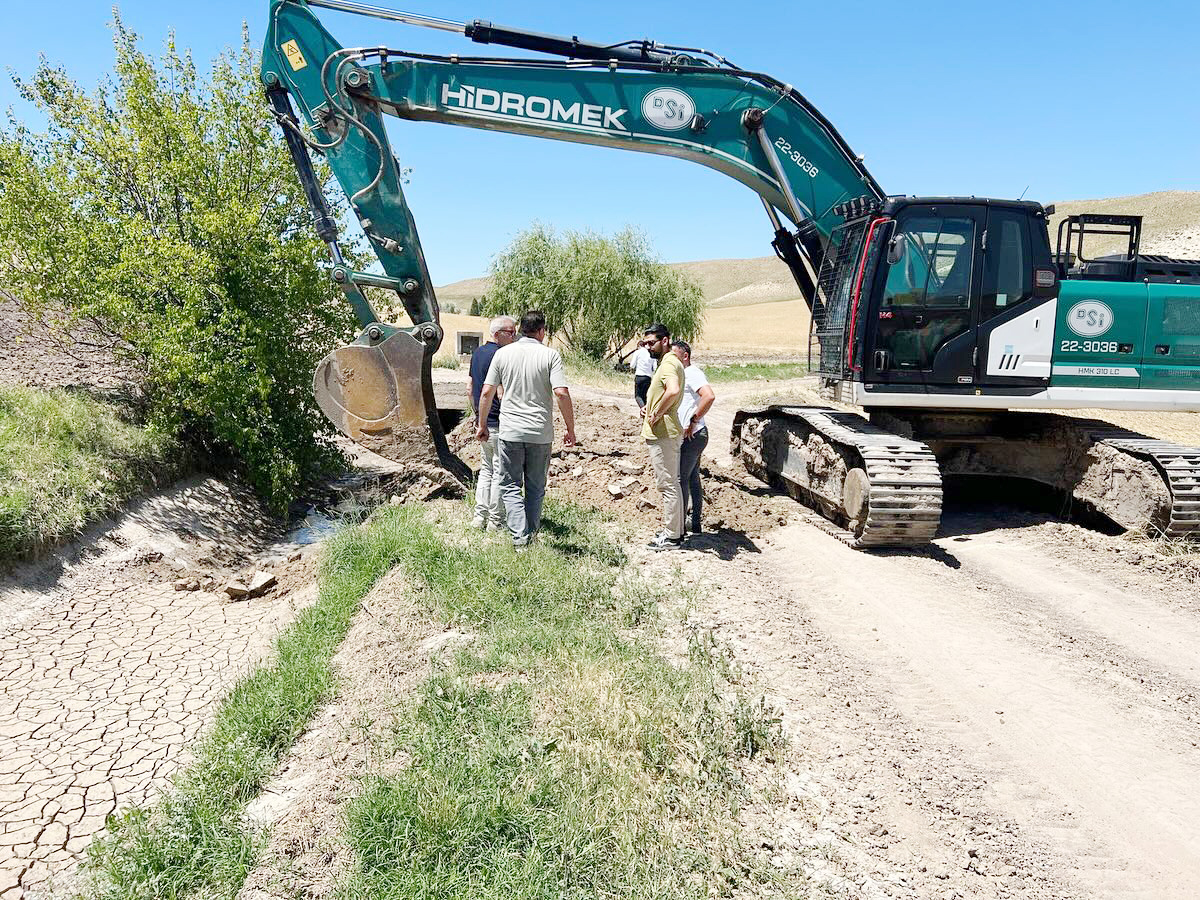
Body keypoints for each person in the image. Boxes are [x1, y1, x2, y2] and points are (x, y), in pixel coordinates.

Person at [476, 310, 576, 549]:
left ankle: (520, 541)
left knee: (510, 485)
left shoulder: (502, 354)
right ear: (542, 331)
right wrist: (570, 428)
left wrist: (482, 424)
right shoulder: (550, 355)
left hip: (510, 431)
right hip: (540, 433)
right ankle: (530, 534)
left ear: (521, 329)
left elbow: (487, 392)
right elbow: (561, 393)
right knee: (535, 487)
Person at [468, 315, 517, 530]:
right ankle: (496, 521)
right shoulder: (502, 355)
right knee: (499, 472)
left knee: (486, 470)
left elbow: (470, 388)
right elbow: (500, 393)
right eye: (511, 332)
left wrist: (479, 417)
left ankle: (479, 517)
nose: (515, 337)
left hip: (484, 422)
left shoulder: (477, 353)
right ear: (497, 334)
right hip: (498, 422)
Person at [640, 323, 685, 551]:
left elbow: (673, 390)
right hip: (666, 431)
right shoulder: (668, 362)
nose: (648, 347)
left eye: (651, 343)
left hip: (664, 432)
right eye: (645, 343)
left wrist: (656, 413)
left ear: (665, 340)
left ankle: (671, 536)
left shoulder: (668, 363)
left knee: (667, 484)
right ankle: (676, 531)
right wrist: (649, 408)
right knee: (672, 483)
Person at [671, 340, 716, 535]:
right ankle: (694, 523)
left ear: (685, 356)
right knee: (692, 477)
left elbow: (709, 396)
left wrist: (693, 420)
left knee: (681, 478)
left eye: (674, 356)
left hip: (693, 436)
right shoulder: (682, 375)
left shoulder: (692, 373)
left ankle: (678, 527)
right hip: (693, 435)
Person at [630, 339, 655, 409]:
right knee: (645, 396)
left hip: (639, 376)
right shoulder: (651, 354)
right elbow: (655, 367)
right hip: (648, 377)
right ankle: (647, 411)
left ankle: (643, 410)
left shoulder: (638, 352)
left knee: (638, 396)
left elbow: (632, 365)